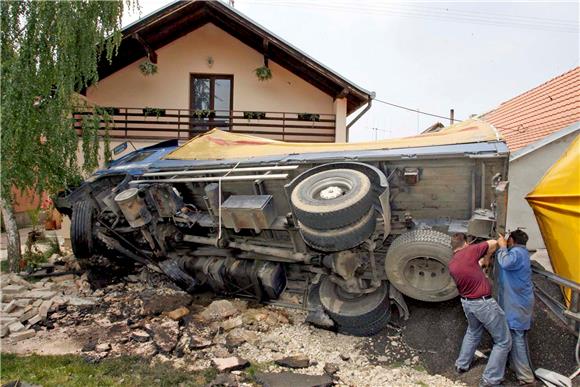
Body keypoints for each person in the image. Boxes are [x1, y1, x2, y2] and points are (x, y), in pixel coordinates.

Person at [448, 233, 512, 387]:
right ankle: (491, 380)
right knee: (503, 341)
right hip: (484, 304)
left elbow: (472, 269)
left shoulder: (453, 263)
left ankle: (461, 365)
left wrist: (483, 261)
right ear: (465, 243)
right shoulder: (469, 252)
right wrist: (498, 245)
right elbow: (492, 243)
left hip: (467, 303)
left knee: (473, 331)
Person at [496, 230, 535, 385]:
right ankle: (516, 367)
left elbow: (505, 262)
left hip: (517, 303)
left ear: (511, 240)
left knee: (516, 335)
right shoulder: (523, 253)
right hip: (519, 301)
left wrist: (502, 247)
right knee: (518, 335)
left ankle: (526, 378)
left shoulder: (517, 253)